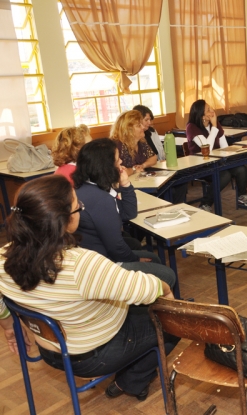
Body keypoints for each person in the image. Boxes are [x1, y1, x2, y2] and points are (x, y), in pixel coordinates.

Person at [0, 175, 178, 400]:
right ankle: (131, 381)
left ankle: (129, 372)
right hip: (91, 357)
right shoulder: (81, 265)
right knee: (175, 323)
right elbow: (148, 288)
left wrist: (8, 327)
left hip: (50, 349)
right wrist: (168, 293)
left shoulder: (3, 259)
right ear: (62, 221)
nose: (80, 210)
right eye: (77, 207)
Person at [72, 139, 176, 289]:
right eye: (117, 159)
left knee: (152, 258)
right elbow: (116, 246)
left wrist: (125, 184)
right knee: (167, 275)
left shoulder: (88, 187)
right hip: (104, 266)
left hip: (95, 258)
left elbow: (128, 213)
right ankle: (141, 308)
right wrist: (134, 260)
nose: (121, 161)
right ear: (105, 167)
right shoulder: (101, 200)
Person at [185, 99, 247, 211]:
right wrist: (215, 127)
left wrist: (233, 153)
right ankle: (205, 204)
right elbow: (207, 148)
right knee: (224, 175)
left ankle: (242, 196)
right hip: (201, 166)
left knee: (241, 169)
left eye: (211, 108)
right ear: (201, 115)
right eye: (208, 110)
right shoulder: (192, 127)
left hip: (217, 162)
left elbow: (225, 146)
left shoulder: (215, 125)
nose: (212, 112)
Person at [110, 110, 157, 175]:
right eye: (138, 125)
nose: (143, 127)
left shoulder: (141, 141)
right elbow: (117, 172)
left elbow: (153, 158)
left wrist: (143, 165)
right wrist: (134, 170)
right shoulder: (118, 146)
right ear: (128, 130)